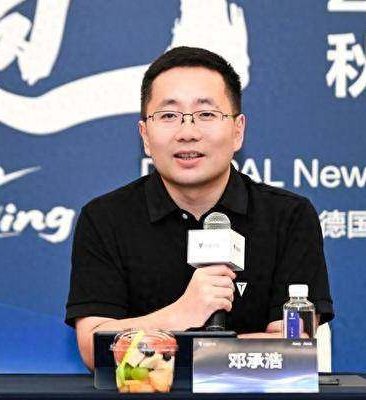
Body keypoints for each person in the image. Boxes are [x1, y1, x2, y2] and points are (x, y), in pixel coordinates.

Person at [65, 46, 334, 371]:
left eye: (206, 114)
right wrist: (181, 314)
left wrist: (165, 347)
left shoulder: (289, 217)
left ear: (238, 131)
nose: (188, 133)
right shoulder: (105, 219)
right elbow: (95, 349)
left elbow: (292, 351)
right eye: (169, 116)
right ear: (145, 136)